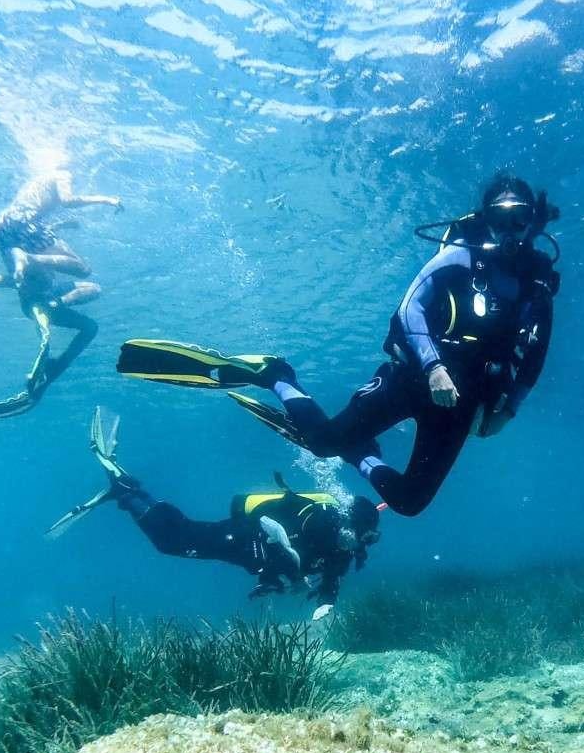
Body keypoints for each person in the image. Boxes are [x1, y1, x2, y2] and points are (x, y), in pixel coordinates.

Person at [114, 171, 560, 516]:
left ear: (532, 222)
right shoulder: (459, 256)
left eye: (518, 218)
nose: (509, 230)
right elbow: (410, 309)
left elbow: (537, 350)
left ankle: (363, 456)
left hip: (465, 402)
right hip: (411, 379)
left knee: (409, 502)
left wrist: (509, 407)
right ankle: (274, 375)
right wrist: (433, 367)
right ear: (485, 219)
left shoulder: (538, 278)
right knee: (323, 444)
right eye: (499, 219)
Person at [47, 409, 382, 604]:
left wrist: (322, 595)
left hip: (245, 549)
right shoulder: (321, 521)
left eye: (366, 540)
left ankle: (129, 493)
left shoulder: (341, 551)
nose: (357, 544)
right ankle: (125, 490)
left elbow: (325, 574)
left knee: (183, 535)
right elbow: (284, 544)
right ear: (346, 522)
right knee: (176, 540)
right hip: (244, 536)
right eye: (359, 536)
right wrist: (288, 574)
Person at [0, 170, 122, 418]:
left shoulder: (34, 187)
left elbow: (34, 222)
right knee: (82, 269)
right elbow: (67, 200)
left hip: (5, 232)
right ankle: (36, 277)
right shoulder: (60, 171)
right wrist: (107, 200)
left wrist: (61, 225)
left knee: (86, 317)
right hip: (24, 229)